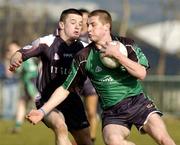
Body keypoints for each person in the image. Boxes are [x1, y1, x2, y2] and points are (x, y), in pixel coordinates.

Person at [25, 9, 175, 145]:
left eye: (93, 25)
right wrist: (42, 111)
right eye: (87, 25)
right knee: (113, 141)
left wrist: (117, 55)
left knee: (164, 140)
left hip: (139, 103)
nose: (88, 29)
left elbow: (141, 73)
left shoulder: (127, 45)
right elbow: (65, 88)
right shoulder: (83, 56)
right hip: (112, 112)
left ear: (106, 27)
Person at [9, 8, 93, 145]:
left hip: (73, 100)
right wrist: (15, 58)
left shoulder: (85, 48)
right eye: (73, 22)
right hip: (46, 100)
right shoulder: (46, 42)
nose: (78, 26)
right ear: (61, 25)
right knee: (61, 127)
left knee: (86, 141)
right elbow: (21, 52)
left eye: (80, 23)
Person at [79, 8, 99, 144]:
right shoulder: (70, 37)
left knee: (91, 112)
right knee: (75, 113)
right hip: (74, 79)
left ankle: (91, 139)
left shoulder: (93, 38)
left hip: (89, 80)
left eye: (87, 20)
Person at [11, 41, 39, 133]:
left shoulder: (19, 55)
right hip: (33, 79)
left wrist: (13, 68)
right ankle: (17, 126)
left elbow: (20, 70)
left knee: (36, 101)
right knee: (22, 102)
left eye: (12, 48)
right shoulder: (27, 52)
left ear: (18, 47)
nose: (11, 50)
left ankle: (51, 117)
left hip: (30, 80)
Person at [1, 41, 21, 119]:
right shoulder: (4, 63)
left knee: (14, 101)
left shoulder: (17, 61)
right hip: (6, 84)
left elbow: (20, 72)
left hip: (15, 84)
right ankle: (6, 116)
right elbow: (1, 73)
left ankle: (13, 116)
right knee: (6, 100)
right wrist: (5, 74)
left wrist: (14, 73)